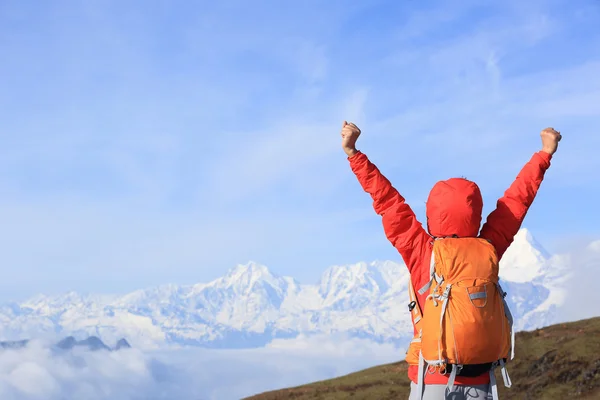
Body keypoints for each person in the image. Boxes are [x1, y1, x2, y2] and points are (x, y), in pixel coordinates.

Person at [341, 121, 561, 400]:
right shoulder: (490, 247)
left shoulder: (422, 250)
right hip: (481, 381)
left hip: (431, 378)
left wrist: (354, 153)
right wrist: (544, 154)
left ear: (432, 212)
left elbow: (387, 202)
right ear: (476, 212)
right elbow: (517, 201)